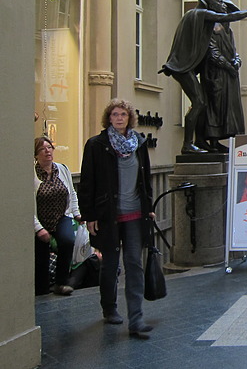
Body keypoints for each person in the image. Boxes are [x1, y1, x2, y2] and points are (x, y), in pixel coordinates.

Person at [78, 99, 155, 339]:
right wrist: (89, 215)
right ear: (108, 118)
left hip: (134, 214)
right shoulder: (96, 145)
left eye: (123, 114)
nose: (119, 118)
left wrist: (148, 207)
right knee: (110, 264)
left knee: (134, 262)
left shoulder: (139, 144)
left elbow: (146, 179)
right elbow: (87, 182)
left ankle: (136, 319)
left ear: (129, 118)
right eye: (114, 114)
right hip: (107, 215)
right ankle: (109, 307)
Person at [160, 0, 247, 154]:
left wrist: (235, 62)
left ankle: (200, 141)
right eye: (219, 2)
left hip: (188, 68)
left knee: (203, 104)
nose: (222, 5)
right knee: (200, 103)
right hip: (184, 68)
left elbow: (232, 48)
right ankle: (188, 144)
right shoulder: (201, 14)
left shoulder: (205, 20)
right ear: (210, 6)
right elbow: (230, 20)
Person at [33, 136, 81, 296]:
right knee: (41, 258)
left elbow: (72, 193)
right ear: (36, 155)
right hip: (40, 219)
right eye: (42, 149)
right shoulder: (31, 174)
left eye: (49, 147)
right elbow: (28, 205)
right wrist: (38, 228)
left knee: (67, 240)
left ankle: (62, 282)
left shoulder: (62, 169)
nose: (47, 151)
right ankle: (41, 291)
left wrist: (76, 213)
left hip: (61, 216)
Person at [200, 20, 245, 152]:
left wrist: (237, 61)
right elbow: (213, 53)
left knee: (229, 108)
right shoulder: (211, 29)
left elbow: (233, 52)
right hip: (217, 75)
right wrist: (228, 66)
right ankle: (213, 139)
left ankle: (219, 139)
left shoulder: (229, 32)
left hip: (229, 77)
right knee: (215, 107)